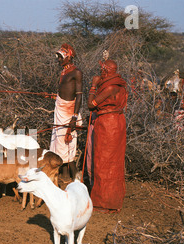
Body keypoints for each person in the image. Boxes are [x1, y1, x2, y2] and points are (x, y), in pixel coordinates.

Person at [86, 59, 128, 212]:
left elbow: (91, 104)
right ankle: (113, 200)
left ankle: (103, 202)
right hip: (117, 122)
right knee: (114, 162)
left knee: (103, 162)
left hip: (107, 125)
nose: (100, 72)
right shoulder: (120, 85)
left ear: (106, 71)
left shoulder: (110, 87)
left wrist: (93, 85)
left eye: (102, 70)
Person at [49, 43, 83, 181]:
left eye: (61, 57)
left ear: (68, 57)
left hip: (68, 113)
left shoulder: (76, 72)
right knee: (59, 142)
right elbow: (64, 92)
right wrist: (55, 96)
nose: (58, 60)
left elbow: (79, 95)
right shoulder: (63, 72)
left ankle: (75, 177)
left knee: (66, 142)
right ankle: (64, 176)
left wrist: (74, 118)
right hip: (61, 109)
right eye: (58, 57)